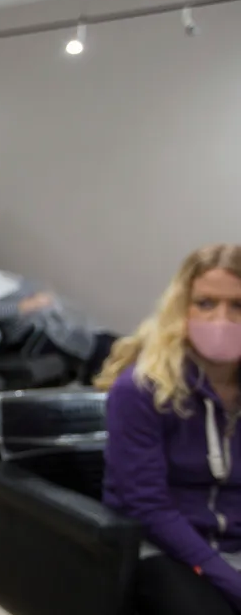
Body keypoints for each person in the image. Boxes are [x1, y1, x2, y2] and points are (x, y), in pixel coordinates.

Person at [95, 244, 241, 615]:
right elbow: (148, 507)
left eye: (238, 306)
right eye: (206, 303)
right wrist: (226, 577)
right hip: (162, 549)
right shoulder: (142, 389)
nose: (221, 319)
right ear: (182, 308)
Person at [0, 248, 116, 384]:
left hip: (49, 323)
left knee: (108, 340)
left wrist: (41, 298)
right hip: (32, 334)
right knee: (102, 349)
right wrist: (30, 304)